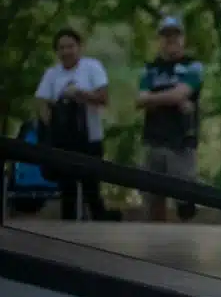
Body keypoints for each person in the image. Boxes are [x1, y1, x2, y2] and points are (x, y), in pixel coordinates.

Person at [34, 28, 119, 221]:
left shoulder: (92, 67)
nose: (66, 52)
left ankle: (100, 225)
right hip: (63, 140)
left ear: (79, 47)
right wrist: (51, 124)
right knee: (67, 190)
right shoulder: (52, 74)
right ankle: (68, 232)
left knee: (91, 188)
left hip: (90, 137)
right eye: (61, 48)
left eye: (70, 46)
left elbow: (103, 98)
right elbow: (41, 102)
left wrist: (80, 94)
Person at [134, 16, 205, 222]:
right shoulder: (150, 68)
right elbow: (139, 100)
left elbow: (181, 94)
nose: (170, 39)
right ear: (159, 39)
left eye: (175, 34)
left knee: (185, 200)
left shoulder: (193, 66)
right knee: (152, 198)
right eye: (166, 35)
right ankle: (155, 244)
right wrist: (172, 99)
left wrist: (153, 99)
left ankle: (187, 243)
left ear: (183, 38)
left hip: (181, 141)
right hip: (153, 139)